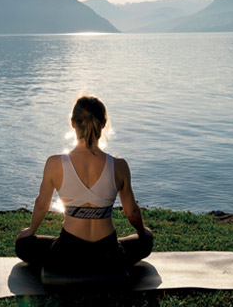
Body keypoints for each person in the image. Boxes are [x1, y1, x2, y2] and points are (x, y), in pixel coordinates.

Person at [15, 95, 153, 276]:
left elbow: (42, 204)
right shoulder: (119, 166)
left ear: (72, 123)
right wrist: (142, 231)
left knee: (22, 244)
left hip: (67, 254)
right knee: (146, 240)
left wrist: (30, 231)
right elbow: (132, 212)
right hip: (109, 254)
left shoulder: (55, 163)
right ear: (103, 124)